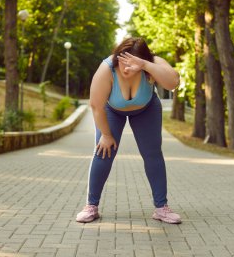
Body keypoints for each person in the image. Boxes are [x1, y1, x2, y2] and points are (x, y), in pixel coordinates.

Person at [76, 37, 181, 224]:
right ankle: (91, 206)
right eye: (122, 62)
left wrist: (145, 65)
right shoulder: (107, 68)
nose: (125, 68)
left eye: (132, 64)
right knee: (103, 152)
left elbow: (173, 83)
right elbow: (96, 106)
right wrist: (106, 135)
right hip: (111, 110)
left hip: (146, 109)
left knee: (153, 154)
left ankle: (161, 208)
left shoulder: (152, 64)